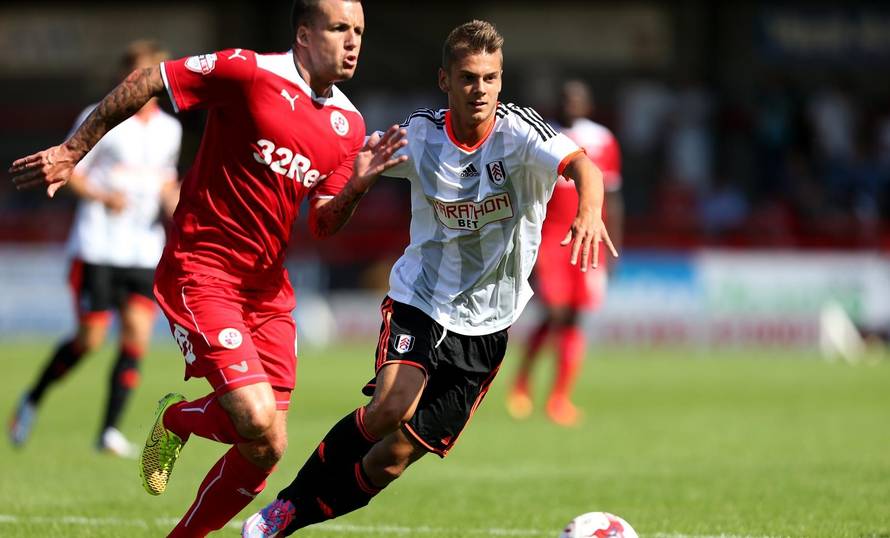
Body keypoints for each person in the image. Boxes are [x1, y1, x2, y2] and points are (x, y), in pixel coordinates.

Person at [9, 1, 408, 536]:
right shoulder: (249, 72)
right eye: (340, 28)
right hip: (202, 271)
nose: (353, 41)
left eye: (359, 30)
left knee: (267, 446)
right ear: (305, 35)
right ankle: (178, 418)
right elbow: (152, 79)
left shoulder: (349, 123)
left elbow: (322, 225)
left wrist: (357, 186)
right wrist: (73, 150)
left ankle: (181, 471)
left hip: (267, 290)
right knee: (257, 418)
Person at [242, 20, 617, 537]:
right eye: (467, 77)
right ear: (445, 81)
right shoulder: (419, 135)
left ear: (501, 81)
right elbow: (343, 157)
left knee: (389, 461)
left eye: (489, 78)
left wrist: (589, 211)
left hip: (488, 324)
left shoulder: (523, 133)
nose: (479, 89)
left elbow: (585, 168)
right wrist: (348, 181)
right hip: (422, 299)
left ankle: (297, 516)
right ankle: (285, 506)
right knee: (388, 409)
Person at [7, 40, 182, 457]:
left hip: (144, 249)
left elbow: (165, 184)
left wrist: (177, 216)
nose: (139, 81)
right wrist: (104, 198)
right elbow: (71, 172)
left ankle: (108, 431)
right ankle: (32, 398)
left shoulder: (169, 130)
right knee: (90, 339)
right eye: (134, 73)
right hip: (99, 244)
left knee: (137, 334)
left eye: (147, 74)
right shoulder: (96, 117)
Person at [506, 80, 624, 427]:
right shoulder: (545, 137)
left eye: (576, 100)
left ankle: (559, 398)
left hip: (588, 237)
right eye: (564, 98)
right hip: (551, 237)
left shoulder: (603, 140)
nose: (569, 104)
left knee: (574, 317)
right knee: (554, 313)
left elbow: (613, 195)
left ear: (588, 105)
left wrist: (614, 245)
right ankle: (523, 381)